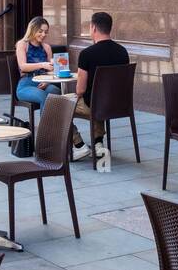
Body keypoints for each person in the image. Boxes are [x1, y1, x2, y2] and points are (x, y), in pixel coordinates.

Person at [16, 17, 91, 160]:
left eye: (46, 32)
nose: (43, 35)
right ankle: (47, 141)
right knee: (44, 97)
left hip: (44, 83)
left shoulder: (46, 47)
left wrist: (48, 77)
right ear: (33, 30)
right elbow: (23, 66)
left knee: (56, 93)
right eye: (40, 31)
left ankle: (63, 138)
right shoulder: (22, 44)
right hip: (26, 84)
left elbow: (52, 71)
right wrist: (43, 65)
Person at [72, 11, 128, 152]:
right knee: (96, 97)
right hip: (118, 105)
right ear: (110, 28)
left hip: (96, 105)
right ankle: (98, 144)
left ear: (93, 28)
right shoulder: (123, 52)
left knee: (56, 105)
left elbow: (80, 90)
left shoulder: (86, 54)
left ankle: (79, 145)